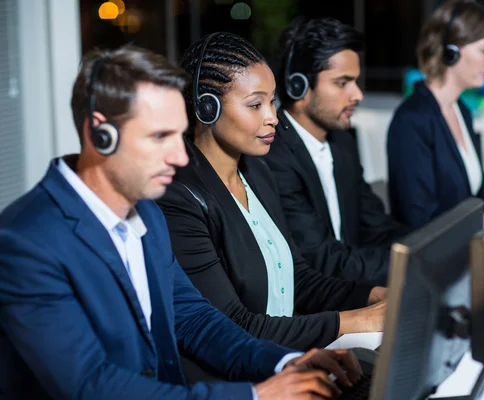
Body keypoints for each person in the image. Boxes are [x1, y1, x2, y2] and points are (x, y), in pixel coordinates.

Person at [0, 44, 363, 400]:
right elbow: (90, 385)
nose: (178, 155)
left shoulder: (147, 216)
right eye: (160, 137)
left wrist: (286, 362)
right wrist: (255, 396)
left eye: (179, 133)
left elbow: (195, 320)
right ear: (101, 133)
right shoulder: (26, 241)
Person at [156, 33, 385, 383]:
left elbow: (298, 278)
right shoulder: (180, 198)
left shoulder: (257, 172)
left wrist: (371, 295)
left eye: (272, 102)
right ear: (207, 108)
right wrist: (356, 320)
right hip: (236, 381)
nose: (273, 117)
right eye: (255, 105)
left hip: (286, 364)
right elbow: (235, 326)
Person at [262, 17, 410, 286]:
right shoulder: (274, 156)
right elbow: (323, 260)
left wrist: (431, 249)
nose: (358, 94)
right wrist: (412, 264)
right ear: (299, 86)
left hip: (352, 291)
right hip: (315, 310)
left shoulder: (342, 144)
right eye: (343, 83)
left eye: (356, 81)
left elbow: (377, 227)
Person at [387, 0, 484, 230]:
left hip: (469, 253)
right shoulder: (411, 120)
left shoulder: (462, 111)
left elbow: (480, 201)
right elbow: (420, 221)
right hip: (434, 261)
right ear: (452, 52)